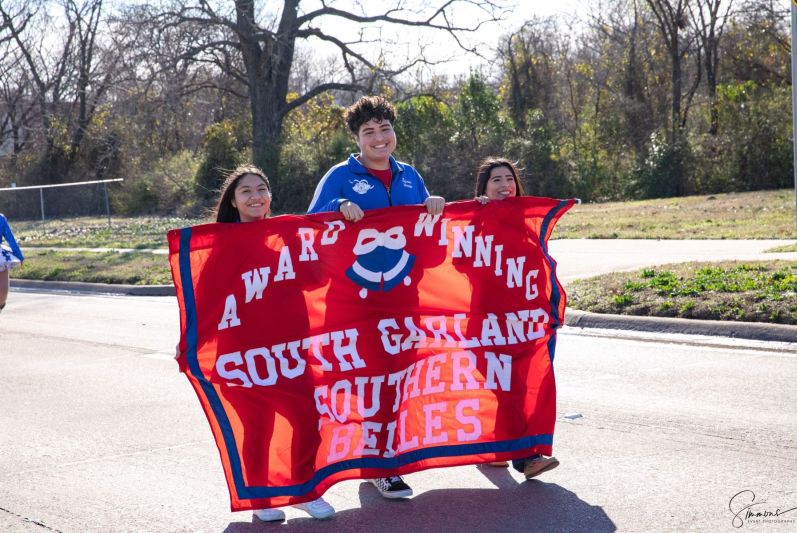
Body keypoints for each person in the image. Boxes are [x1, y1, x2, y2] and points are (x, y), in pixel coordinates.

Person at [307, 95, 444, 499]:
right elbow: (310, 226)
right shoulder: (340, 176)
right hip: (353, 301)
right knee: (367, 380)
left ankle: (380, 457)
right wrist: (338, 205)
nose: (379, 137)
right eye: (369, 131)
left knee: (397, 380)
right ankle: (374, 462)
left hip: (404, 300)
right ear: (357, 139)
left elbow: (431, 249)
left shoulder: (410, 177)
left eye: (385, 129)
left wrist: (433, 209)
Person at [212, 165, 336, 522]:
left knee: (308, 418)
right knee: (258, 427)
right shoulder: (222, 242)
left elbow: (314, 280)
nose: (255, 196)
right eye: (246, 191)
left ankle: (303, 489)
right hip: (244, 352)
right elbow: (207, 301)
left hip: (290, 350)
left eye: (261, 188)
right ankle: (260, 496)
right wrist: (191, 342)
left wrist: (301, 242)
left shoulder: (286, 233)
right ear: (233, 202)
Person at [474, 156, 560, 479]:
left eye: (509, 178)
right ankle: (512, 452)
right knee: (502, 387)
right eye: (496, 179)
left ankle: (523, 455)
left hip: (525, 321)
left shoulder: (529, 219)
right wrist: (477, 213)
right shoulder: (473, 219)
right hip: (487, 321)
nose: (504, 185)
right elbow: (457, 262)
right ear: (484, 187)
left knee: (524, 387)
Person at [0, 213, 24, 313]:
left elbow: (10, 237)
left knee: (3, 292)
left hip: (0, 258)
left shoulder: (0, 218)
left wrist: (19, 255)